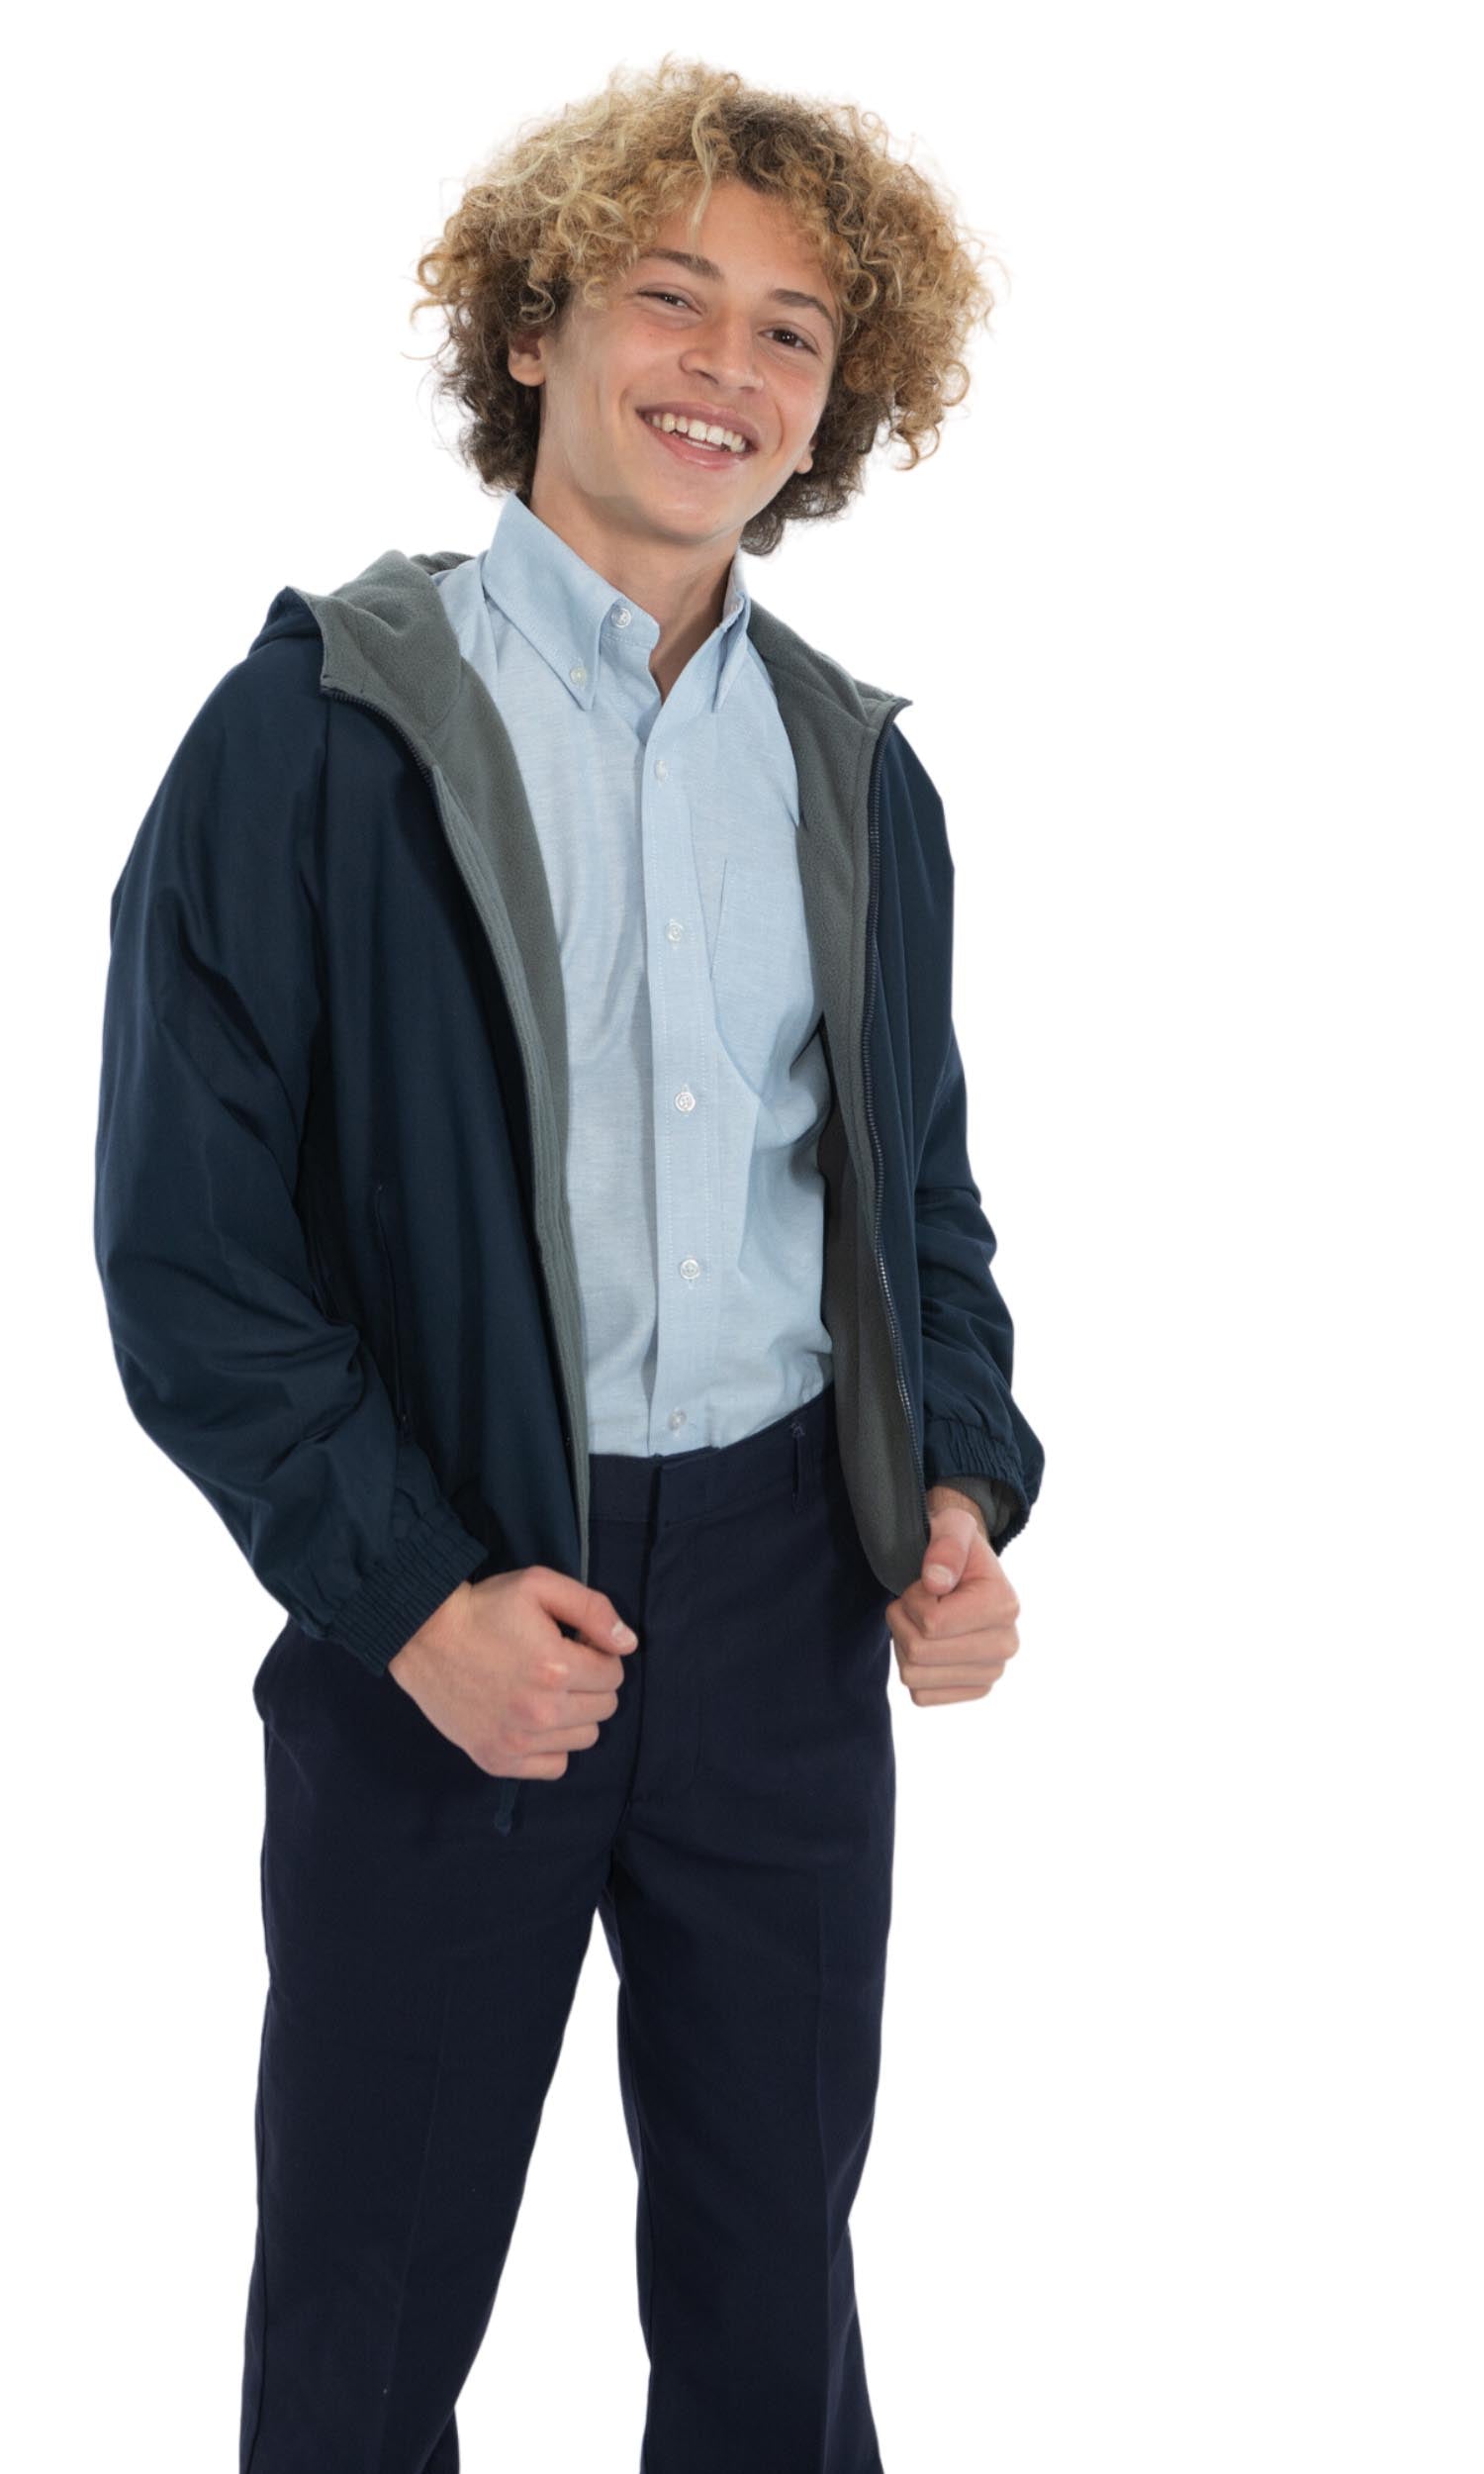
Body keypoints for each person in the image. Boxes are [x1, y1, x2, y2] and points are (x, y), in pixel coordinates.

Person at [93, 53, 1046, 2474]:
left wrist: (952, 1488)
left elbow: (915, 1204)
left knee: (771, 2287)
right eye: (668, 297)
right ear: (531, 327)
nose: (728, 369)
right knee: (367, 2301)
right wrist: (412, 1594)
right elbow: (191, 1253)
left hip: (784, 1606)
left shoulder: (858, 773)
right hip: (454, 1591)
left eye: (793, 332)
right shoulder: (314, 734)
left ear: (840, 403)